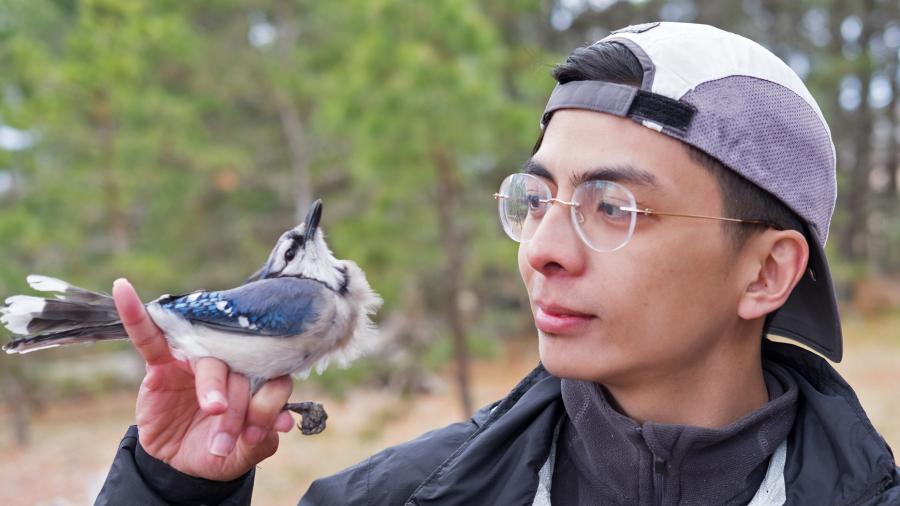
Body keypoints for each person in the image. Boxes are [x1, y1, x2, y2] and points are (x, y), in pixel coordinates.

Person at [95, 22, 900, 505]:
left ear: (766, 273)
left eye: (612, 208)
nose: (543, 250)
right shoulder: (395, 499)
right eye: (537, 198)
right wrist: (172, 491)